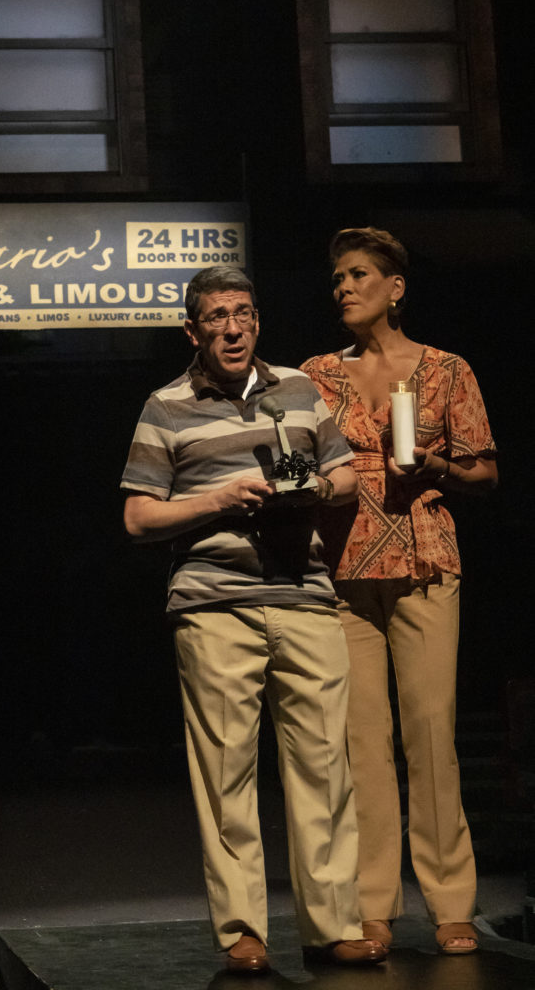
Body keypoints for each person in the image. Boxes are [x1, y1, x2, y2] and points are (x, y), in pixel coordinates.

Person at [121, 265, 388, 972]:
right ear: (192, 330)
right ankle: (242, 930)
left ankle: (329, 926)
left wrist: (311, 487)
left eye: (242, 313)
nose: (232, 328)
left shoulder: (297, 390)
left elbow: (344, 476)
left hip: (301, 595)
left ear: (257, 320)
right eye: (216, 317)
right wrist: (217, 500)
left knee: (323, 766)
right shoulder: (165, 405)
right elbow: (138, 516)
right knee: (225, 770)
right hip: (213, 604)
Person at [301, 227, 498, 956]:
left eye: (357, 275)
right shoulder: (315, 375)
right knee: (360, 743)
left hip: (422, 561)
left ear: (395, 286)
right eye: (336, 279)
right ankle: (371, 902)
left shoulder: (446, 370)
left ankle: (450, 901)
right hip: (344, 568)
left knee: (428, 732)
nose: (343, 288)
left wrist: (437, 468)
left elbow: (485, 474)